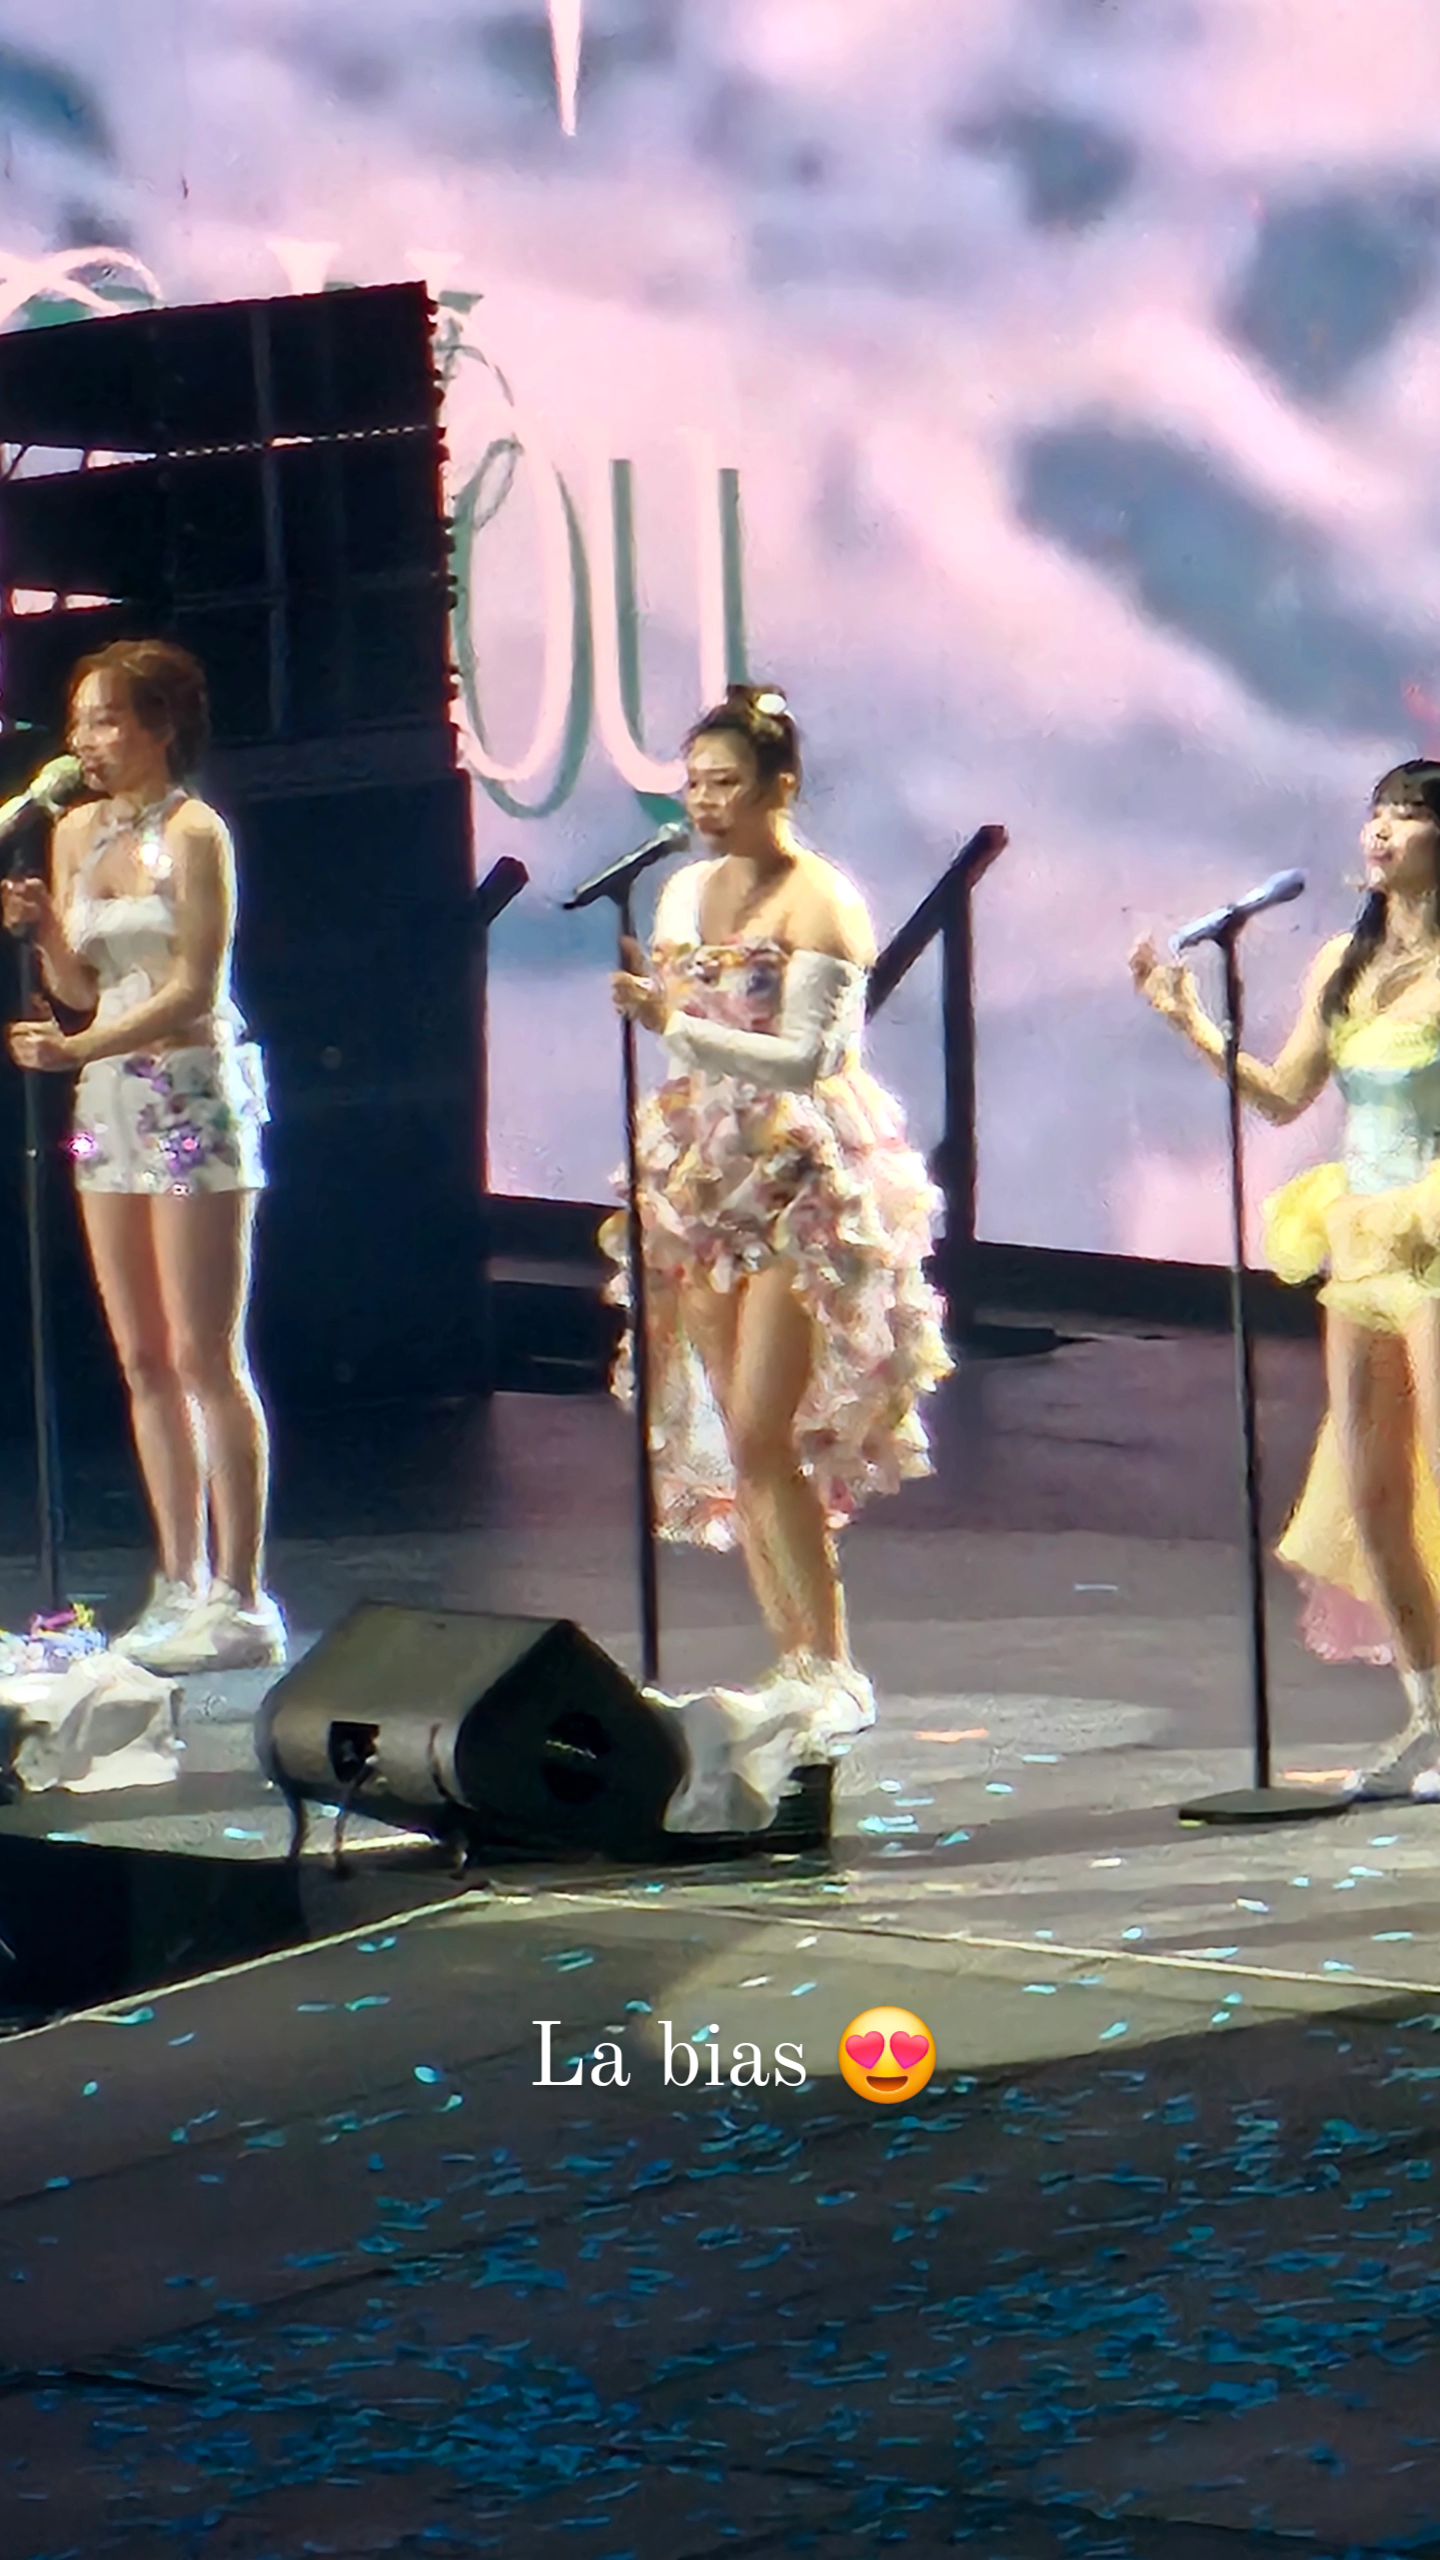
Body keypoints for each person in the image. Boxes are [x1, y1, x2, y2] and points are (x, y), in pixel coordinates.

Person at [602, 683, 951, 1824]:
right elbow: (682, 1043)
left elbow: (809, 1057)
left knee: (765, 1428)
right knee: (734, 1436)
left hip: (801, 1171)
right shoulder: (680, 892)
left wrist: (678, 1023)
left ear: (779, 788)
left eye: (726, 785)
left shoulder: (823, 900)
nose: (704, 805)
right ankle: (796, 1658)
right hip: (707, 1172)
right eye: (693, 786)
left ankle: (834, 1662)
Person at [1130, 758, 1440, 1797]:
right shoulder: (1345, 965)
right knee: (1372, 1488)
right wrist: (1190, 1022)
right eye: (1377, 812)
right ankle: (1430, 1713)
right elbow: (1282, 1096)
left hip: (1435, 1234)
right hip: (1361, 1238)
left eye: (1409, 815)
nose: (1383, 831)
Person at [2, 638, 285, 1674]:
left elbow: (193, 987)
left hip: (190, 1091)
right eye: (79, 720)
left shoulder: (198, 833)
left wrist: (77, 1046)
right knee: (143, 1356)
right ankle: (178, 1578)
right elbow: (82, 985)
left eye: (109, 719)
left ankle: (242, 1594)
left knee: (206, 1351)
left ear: (162, 725)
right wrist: (44, 930)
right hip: (109, 1099)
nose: (88, 740)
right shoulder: (74, 831)